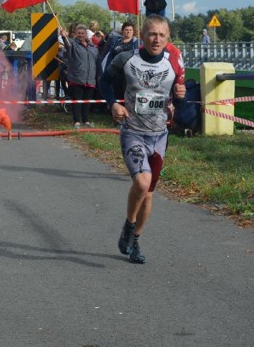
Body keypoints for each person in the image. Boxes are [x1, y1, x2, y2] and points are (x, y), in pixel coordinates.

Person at [98, 15, 186, 264]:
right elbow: (104, 82)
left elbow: (180, 100)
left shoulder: (174, 63)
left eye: (161, 35)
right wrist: (113, 104)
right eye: (151, 34)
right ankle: (129, 224)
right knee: (142, 182)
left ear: (167, 37)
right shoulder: (127, 59)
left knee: (148, 194)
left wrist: (180, 95)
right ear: (143, 35)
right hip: (133, 131)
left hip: (159, 136)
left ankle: (134, 238)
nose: (156, 39)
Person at [61, 23, 100, 129]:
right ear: (75, 34)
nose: (81, 35)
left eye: (83, 33)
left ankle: (86, 120)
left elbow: (97, 61)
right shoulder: (72, 43)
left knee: (87, 101)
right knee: (77, 100)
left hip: (90, 79)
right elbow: (67, 44)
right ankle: (77, 121)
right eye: (79, 33)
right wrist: (64, 37)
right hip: (76, 78)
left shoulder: (93, 47)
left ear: (86, 34)